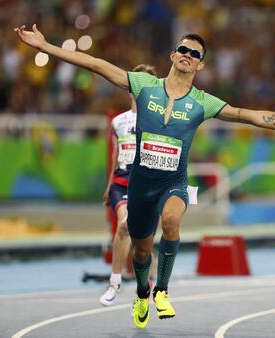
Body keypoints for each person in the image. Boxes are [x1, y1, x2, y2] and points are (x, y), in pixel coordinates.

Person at [14, 25, 275, 329]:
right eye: (183, 49)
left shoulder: (202, 102)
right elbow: (95, 64)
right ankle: (142, 294)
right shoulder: (144, 86)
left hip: (174, 183)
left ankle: (162, 291)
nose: (187, 54)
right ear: (172, 55)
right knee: (141, 252)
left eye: (195, 54)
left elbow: (249, 116)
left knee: (171, 221)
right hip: (141, 185)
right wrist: (45, 47)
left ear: (200, 66)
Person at [100, 64, 157, 306]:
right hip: (121, 185)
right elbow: (116, 153)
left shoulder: (157, 121)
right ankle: (114, 283)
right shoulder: (118, 122)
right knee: (124, 227)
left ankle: (149, 285)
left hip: (146, 187)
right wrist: (109, 185)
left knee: (145, 242)